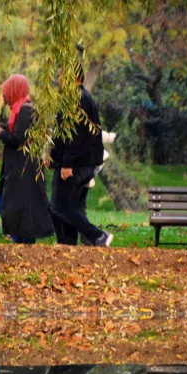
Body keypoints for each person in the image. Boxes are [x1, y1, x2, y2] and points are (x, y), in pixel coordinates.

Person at [0, 74, 54, 245]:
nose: (4, 96)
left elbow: (17, 140)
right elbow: (19, 134)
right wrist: (2, 128)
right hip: (20, 169)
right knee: (19, 208)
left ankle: (22, 243)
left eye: (6, 92)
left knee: (6, 204)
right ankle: (24, 243)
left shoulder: (24, 110)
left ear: (15, 90)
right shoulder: (19, 110)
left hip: (23, 170)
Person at [49, 66, 112, 247]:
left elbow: (74, 135)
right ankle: (68, 242)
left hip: (76, 164)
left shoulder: (77, 99)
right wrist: (53, 158)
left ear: (73, 76)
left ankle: (98, 236)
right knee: (66, 206)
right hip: (80, 162)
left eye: (61, 76)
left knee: (59, 206)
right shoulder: (80, 97)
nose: (58, 79)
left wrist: (67, 164)